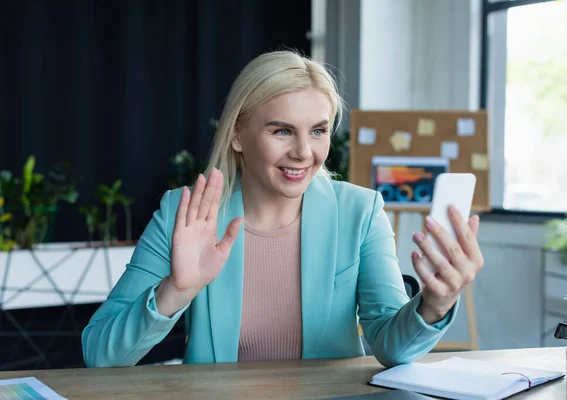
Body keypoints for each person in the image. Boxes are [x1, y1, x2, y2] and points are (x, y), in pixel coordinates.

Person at [81, 50, 484, 369]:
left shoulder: (360, 212)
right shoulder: (182, 213)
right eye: (282, 131)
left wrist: (435, 304)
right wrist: (176, 290)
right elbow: (100, 354)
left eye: (318, 131)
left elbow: (391, 347)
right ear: (238, 134)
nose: (304, 153)